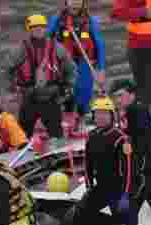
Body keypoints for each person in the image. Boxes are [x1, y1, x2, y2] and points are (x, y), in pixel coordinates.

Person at [67, 96, 133, 225]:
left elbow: (129, 169)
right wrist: (89, 186)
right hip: (100, 187)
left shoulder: (122, 138)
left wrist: (125, 194)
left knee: (121, 224)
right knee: (82, 212)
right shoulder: (92, 136)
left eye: (104, 114)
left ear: (112, 116)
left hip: (118, 189)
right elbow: (88, 163)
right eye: (98, 114)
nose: (101, 117)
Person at [112, 0, 151, 141]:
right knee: (144, 92)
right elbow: (117, 13)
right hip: (140, 47)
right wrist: (143, 12)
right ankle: (140, 134)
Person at [6, 14, 76, 141]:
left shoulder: (57, 48)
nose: (38, 30)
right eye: (34, 28)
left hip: (51, 97)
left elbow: (70, 69)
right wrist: (12, 88)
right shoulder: (20, 49)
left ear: (45, 29)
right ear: (29, 30)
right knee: (22, 135)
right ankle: (23, 152)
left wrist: (68, 87)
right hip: (29, 97)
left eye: (41, 27)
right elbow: (7, 69)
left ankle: (57, 151)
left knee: (56, 134)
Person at [49, 0, 106, 135]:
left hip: (85, 63)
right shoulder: (56, 20)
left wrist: (101, 69)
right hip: (63, 63)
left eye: (78, 1)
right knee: (66, 92)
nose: (74, 4)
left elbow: (99, 45)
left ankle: (81, 119)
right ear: (66, 3)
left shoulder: (91, 21)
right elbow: (46, 41)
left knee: (84, 92)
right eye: (71, 1)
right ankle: (66, 121)